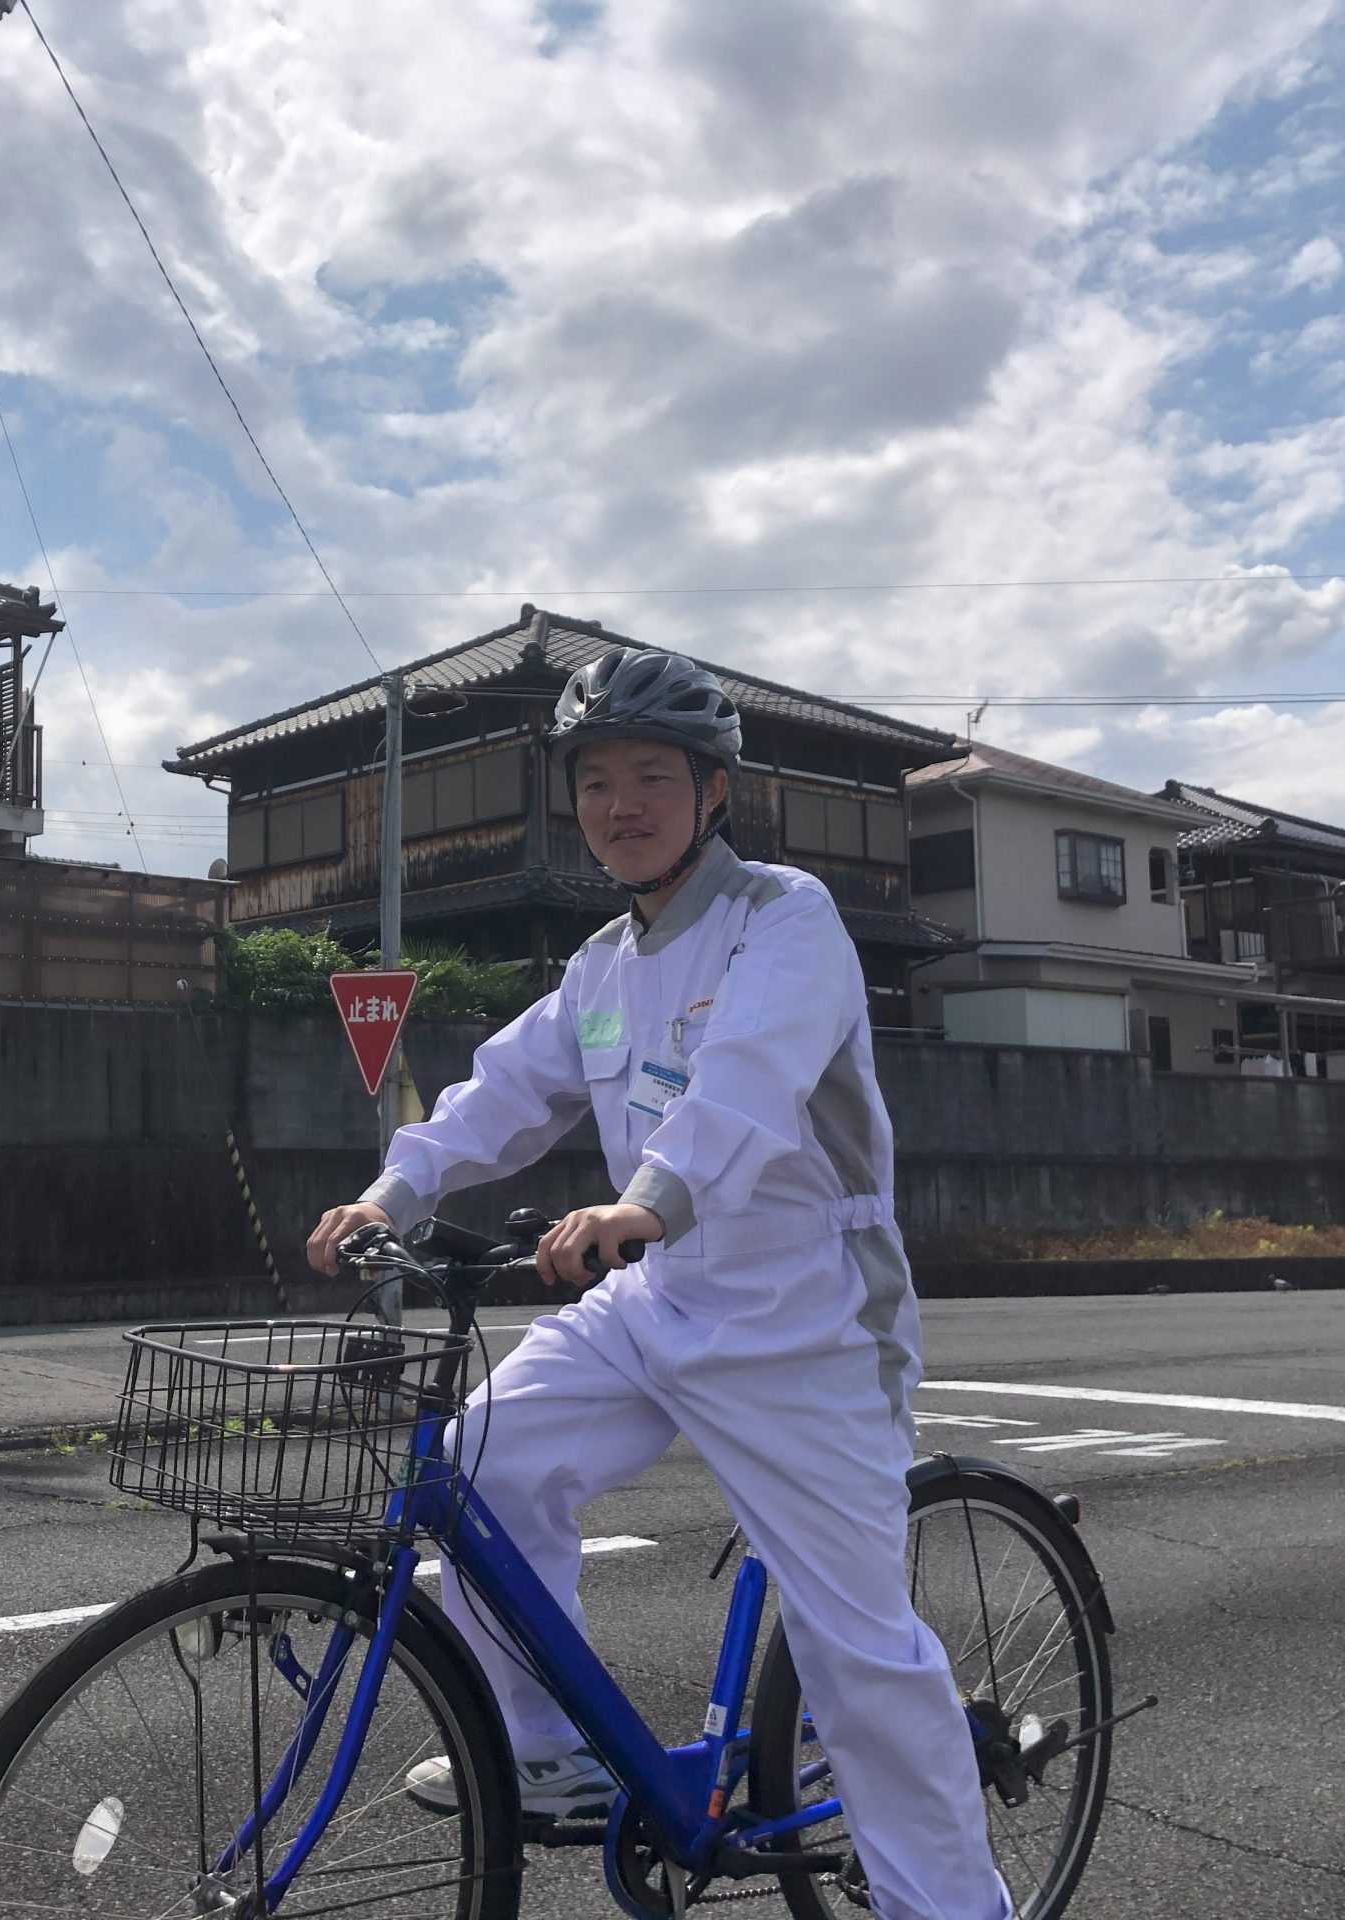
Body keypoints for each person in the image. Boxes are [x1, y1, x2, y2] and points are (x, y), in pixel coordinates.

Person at [306, 647, 1013, 1920]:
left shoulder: (783, 918)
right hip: (656, 1291)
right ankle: (550, 1756)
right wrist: (393, 1192)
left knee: (857, 1659)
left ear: (712, 789)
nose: (618, 805)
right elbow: (504, 1093)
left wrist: (647, 1201)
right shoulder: (600, 966)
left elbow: (748, 1077)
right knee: (478, 1465)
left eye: (649, 777)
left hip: (805, 1319)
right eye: (593, 782)